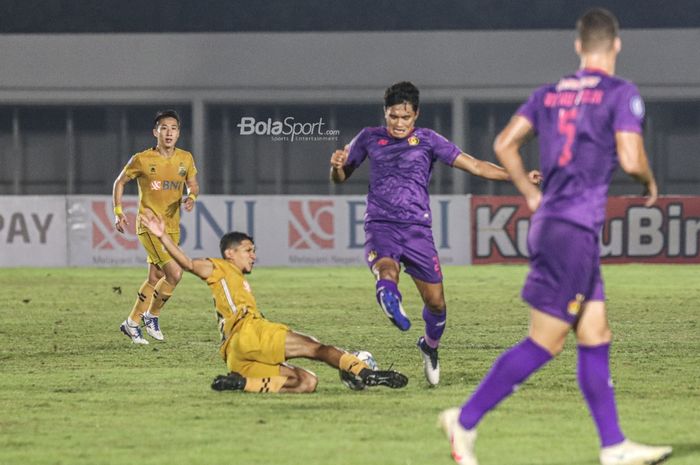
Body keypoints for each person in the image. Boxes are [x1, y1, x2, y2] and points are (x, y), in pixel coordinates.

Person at [438, 8, 671, 465]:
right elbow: (629, 156)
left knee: (595, 331)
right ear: (617, 45)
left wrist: (529, 192)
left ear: (579, 46)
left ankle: (614, 446)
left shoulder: (549, 94)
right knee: (546, 342)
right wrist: (648, 180)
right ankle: (464, 421)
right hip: (572, 230)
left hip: (556, 223)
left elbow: (505, 143)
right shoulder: (620, 93)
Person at [330, 81, 539, 386]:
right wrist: (336, 167)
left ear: (416, 115)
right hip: (381, 223)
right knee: (385, 268)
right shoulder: (368, 138)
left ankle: (429, 345)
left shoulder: (428, 140)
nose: (399, 124)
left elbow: (476, 166)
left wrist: (518, 176)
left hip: (417, 230)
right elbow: (339, 178)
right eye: (393, 117)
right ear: (385, 113)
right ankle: (389, 297)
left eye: (405, 118)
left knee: (437, 303)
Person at [138, 210, 409, 393]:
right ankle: (364, 372)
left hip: (235, 357)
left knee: (306, 382)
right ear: (230, 253)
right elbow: (185, 263)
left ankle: (241, 384)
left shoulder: (235, 279)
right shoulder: (218, 267)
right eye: (248, 251)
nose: (253, 256)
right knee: (317, 348)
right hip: (250, 332)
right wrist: (162, 236)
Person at [113, 109, 199, 344]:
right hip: (149, 225)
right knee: (175, 273)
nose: (169, 132)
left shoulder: (186, 158)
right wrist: (118, 211)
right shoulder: (142, 159)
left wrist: (191, 197)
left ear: (179, 133)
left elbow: (193, 185)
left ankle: (131, 322)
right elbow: (119, 182)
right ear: (155, 132)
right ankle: (151, 315)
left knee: (156, 276)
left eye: (173, 128)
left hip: (171, 227)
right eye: (164, 128)